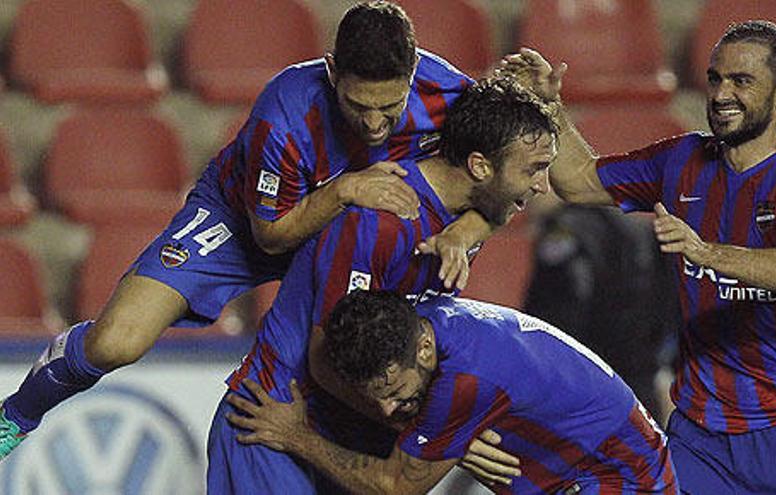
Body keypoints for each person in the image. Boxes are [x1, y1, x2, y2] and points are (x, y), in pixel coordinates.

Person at [0, 1, 489, 460]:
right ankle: (15, 416)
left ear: (413, 74)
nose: (375, 123)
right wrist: (343, 192)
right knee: (115, 342)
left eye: (391, 107)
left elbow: (507, 182)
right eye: (358, 105)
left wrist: (463, 233)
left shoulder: (448, 92)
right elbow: (271, 237)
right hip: (245, 219)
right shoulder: (284, 114)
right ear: (332, 71)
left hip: (351, 235)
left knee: (373, 359)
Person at [502, 20, 776, 494]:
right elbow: (576, 181)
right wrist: (550, 107)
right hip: (702, 432)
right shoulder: (682, 161)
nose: (721, 94)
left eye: (742, 81)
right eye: (716, 78)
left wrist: (707, 253)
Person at [207, 76, 559, 494]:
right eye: (533, 169)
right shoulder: (382, 222)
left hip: (357, 433)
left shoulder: (470, 213)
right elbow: (325, 360)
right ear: (480, 166)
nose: (542, 185)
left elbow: (495, 212)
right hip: (275, 418)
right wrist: (442, 432)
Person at [225, 290, 679, 495]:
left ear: (423, 350)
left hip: (620, 482)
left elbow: (396, 487)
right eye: (375, 396)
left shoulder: (464, 381)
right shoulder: (417, 325)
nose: (386, 410)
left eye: (396, 392)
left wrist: (296, 435)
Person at [524, 205, 678, 419]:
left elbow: (554, 313)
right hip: (639, 387)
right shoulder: (640, 227)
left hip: (581, 388)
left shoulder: (565, 228)